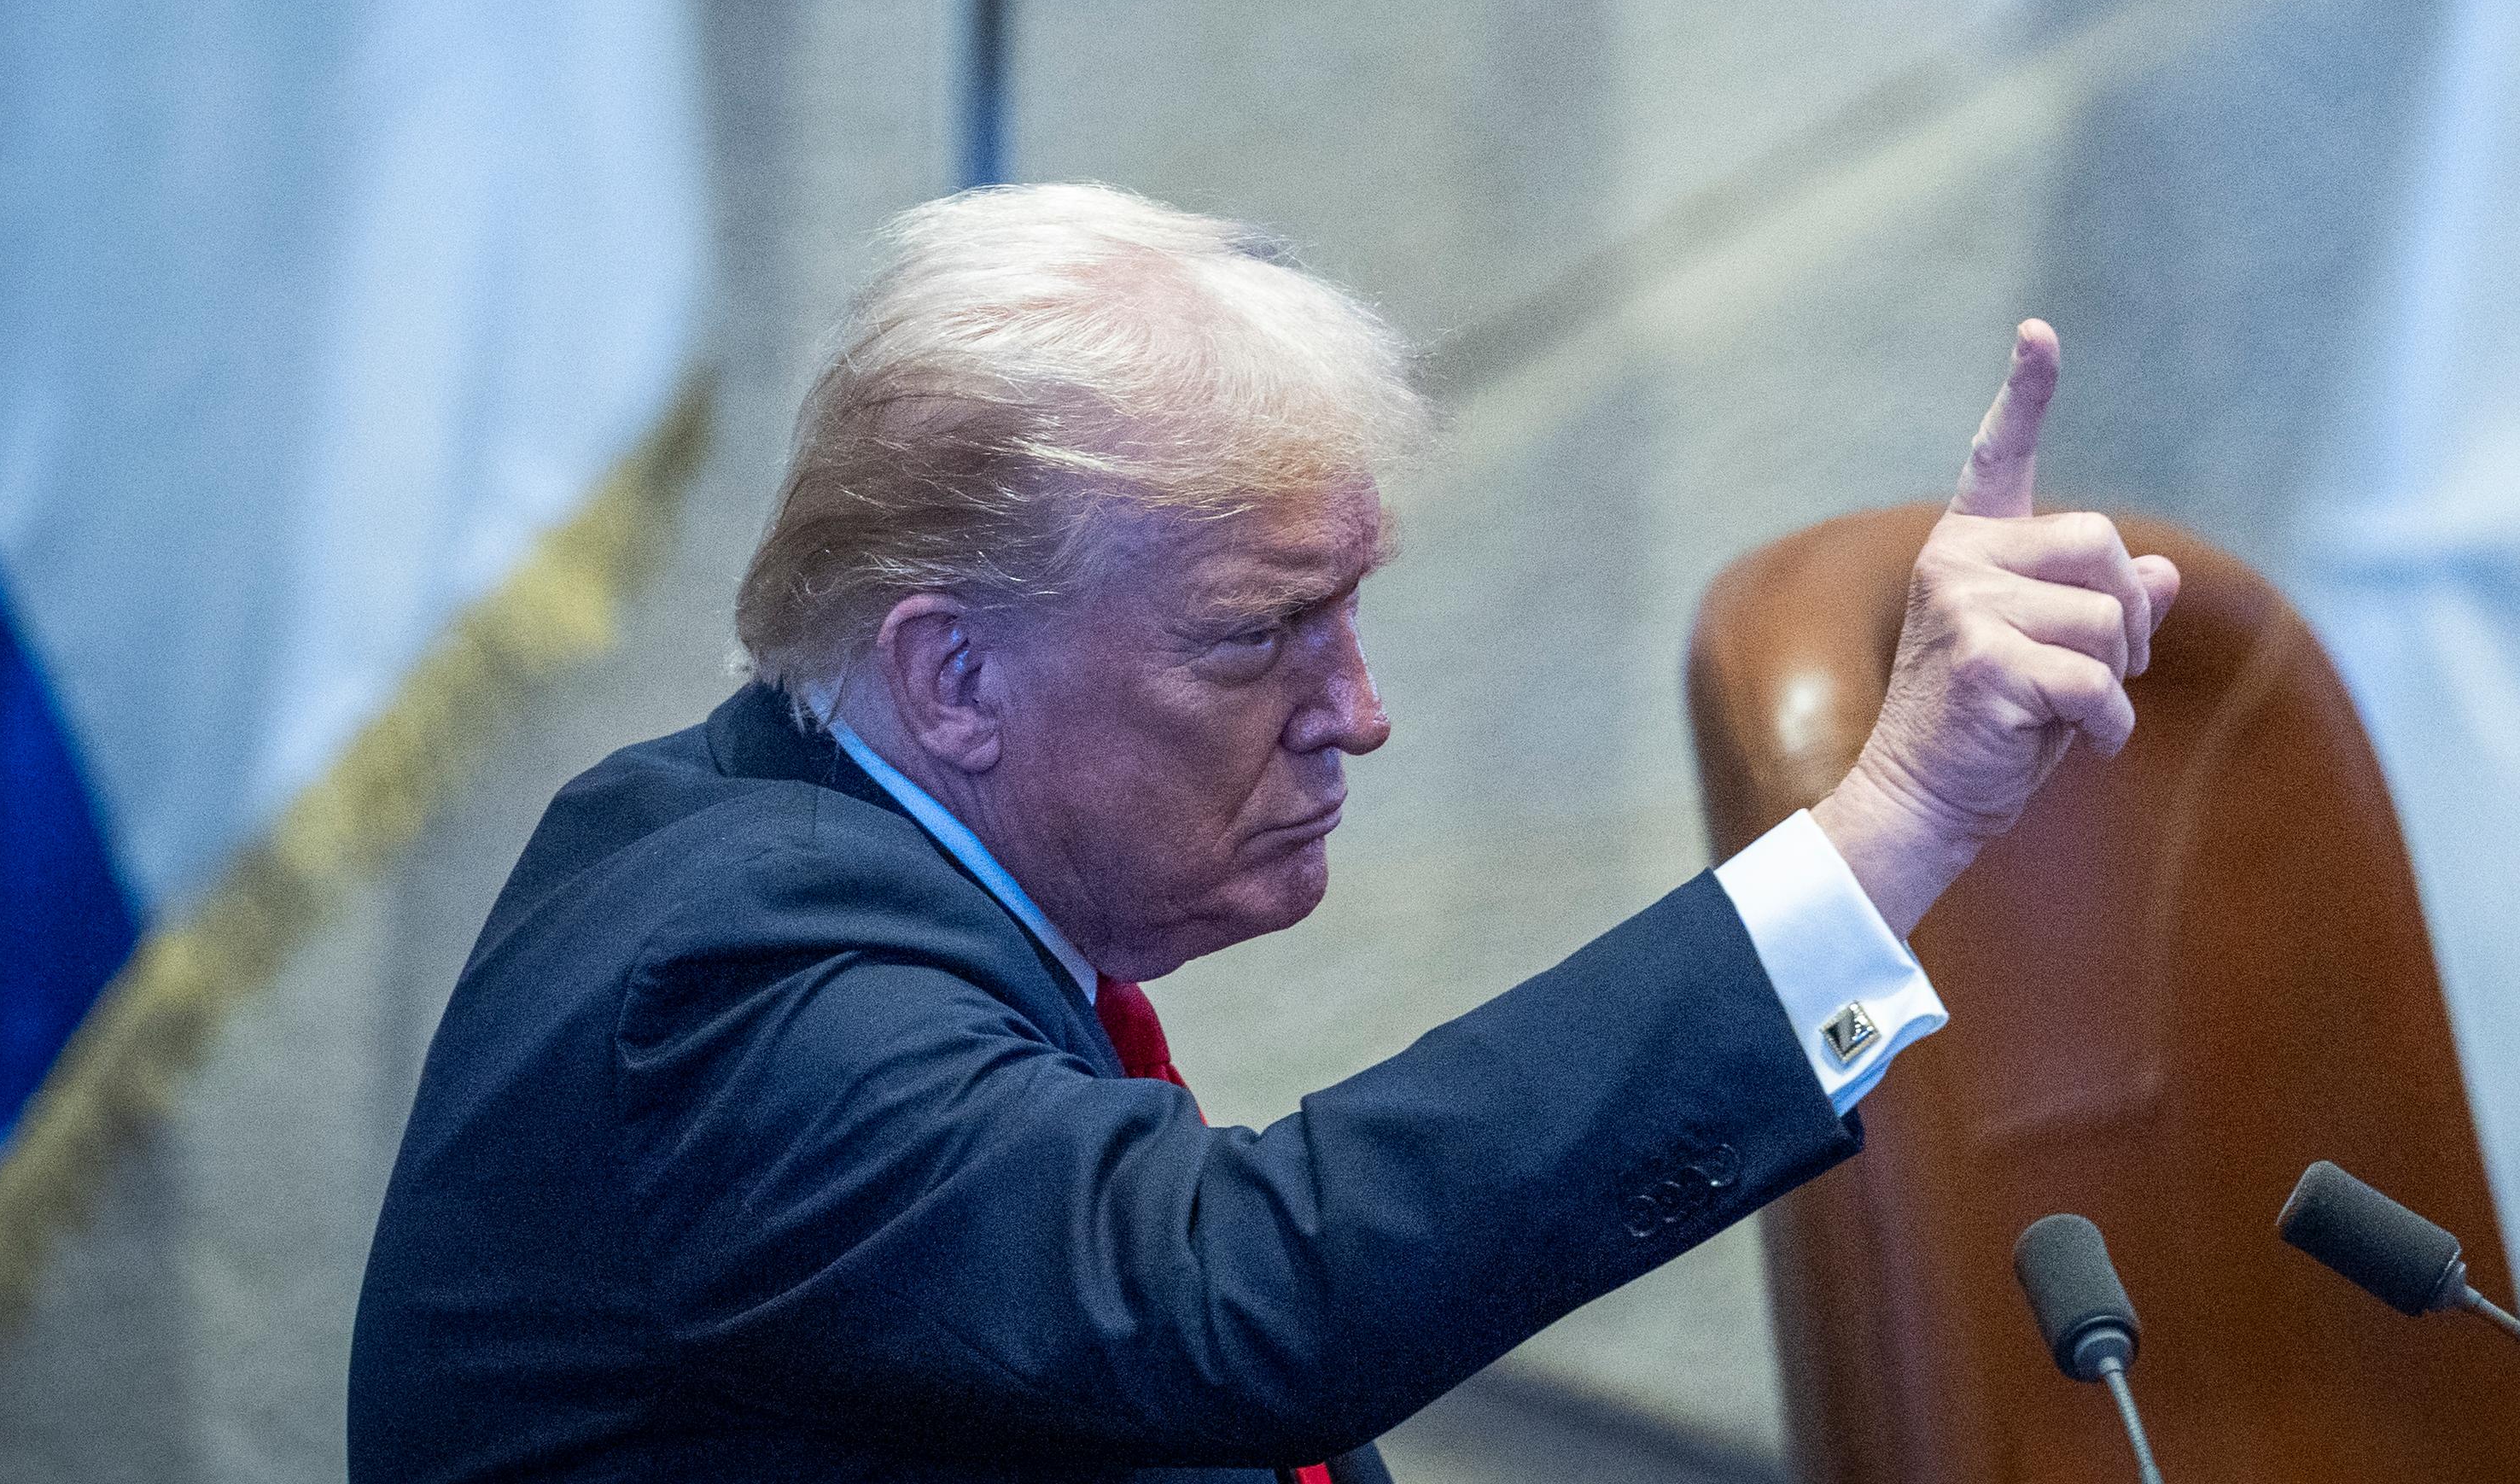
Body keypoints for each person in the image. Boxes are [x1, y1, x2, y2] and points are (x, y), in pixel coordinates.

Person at [347, 184, 2180, 1484]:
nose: (1357, 710)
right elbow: (1234, 1297)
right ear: (953, 673)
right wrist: (1891, 828)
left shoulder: (830, 863)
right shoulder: (734, 980)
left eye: (1348, 609)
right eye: (1257, 636)